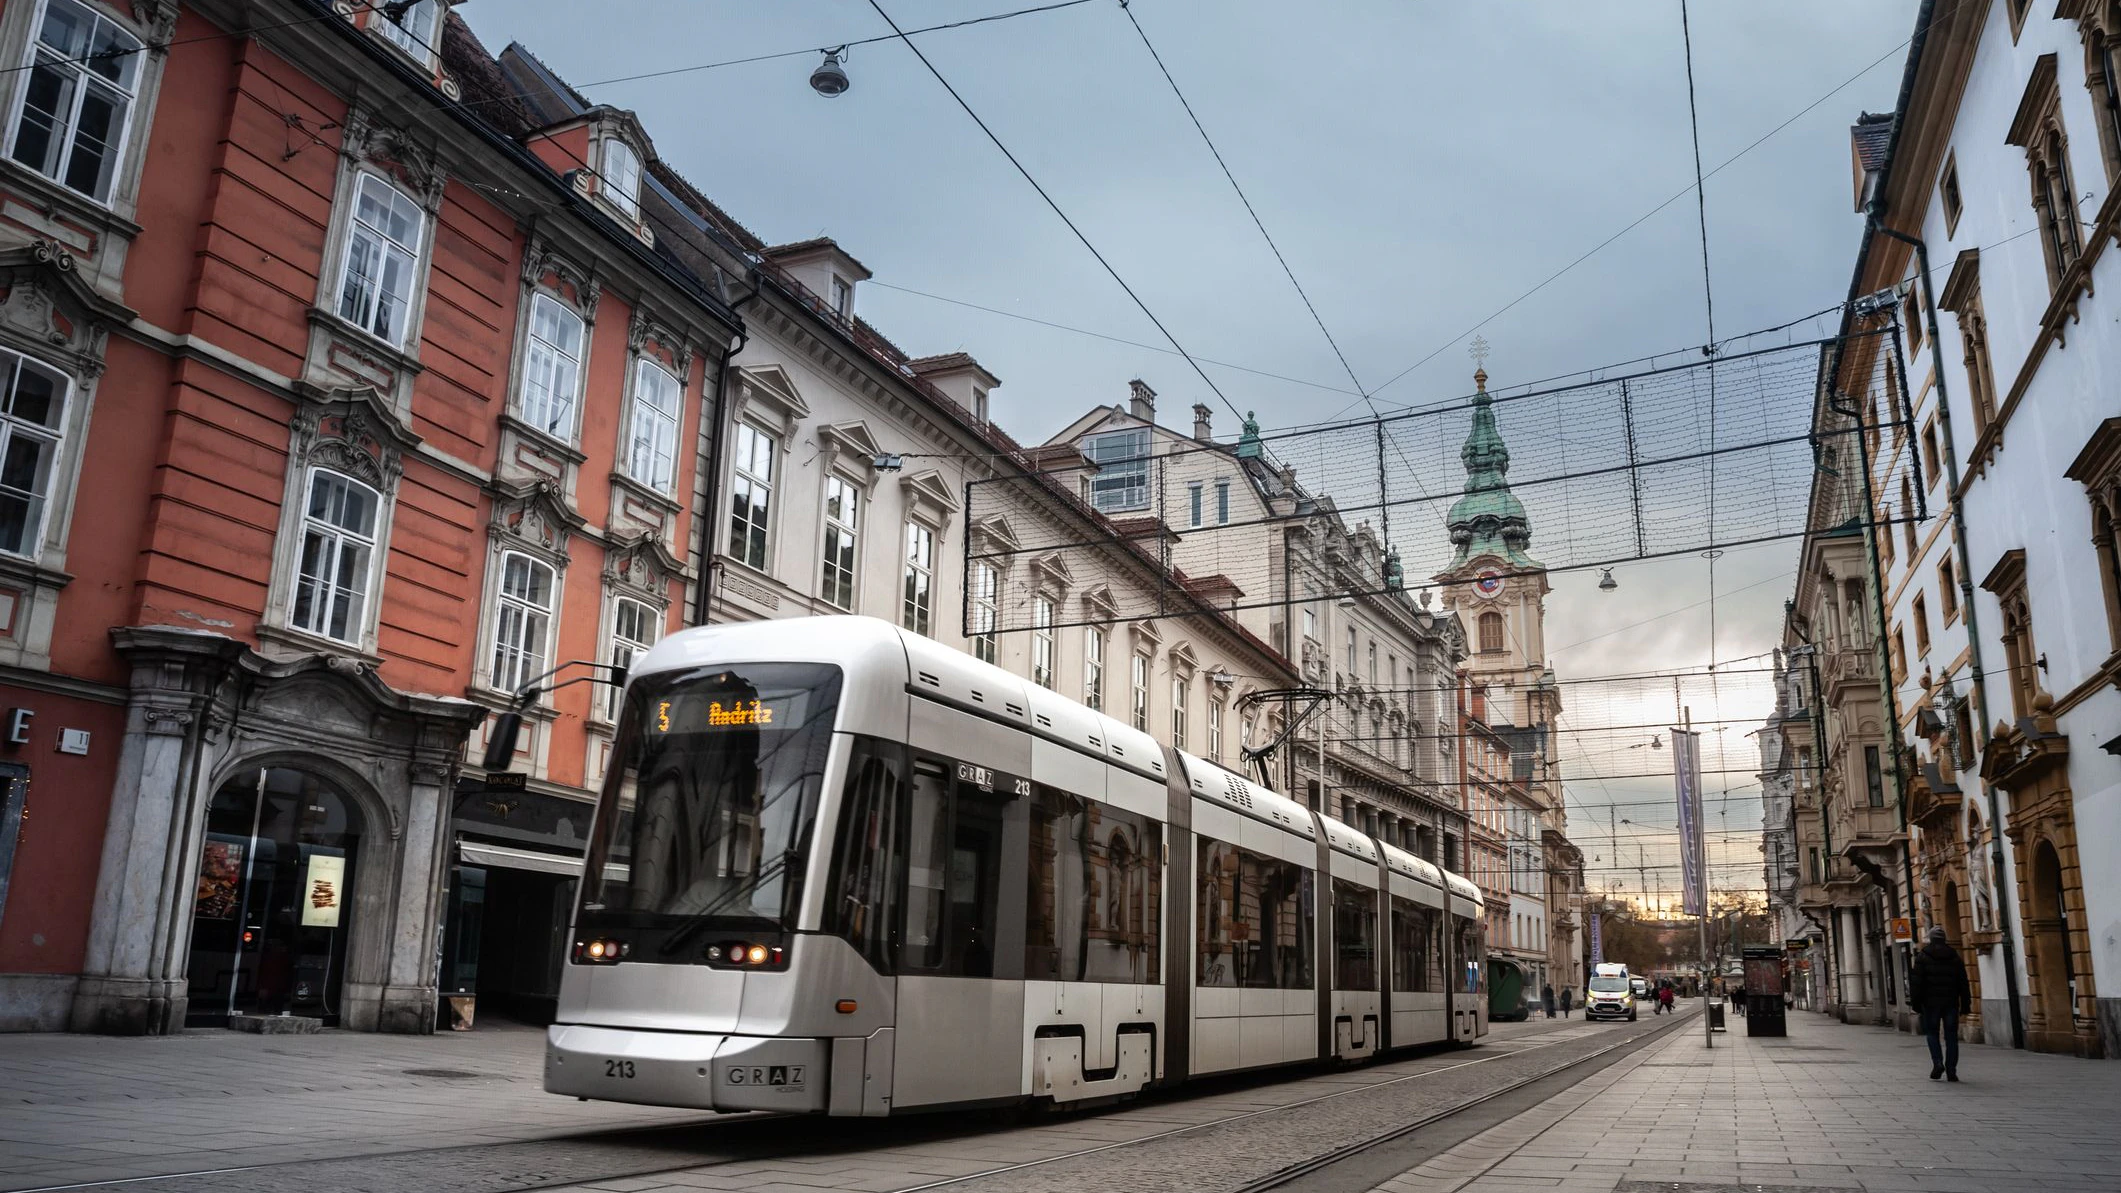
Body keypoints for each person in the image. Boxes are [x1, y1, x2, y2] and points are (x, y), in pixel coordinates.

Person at [1910, 925, 1972, 1081]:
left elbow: (1916, 983)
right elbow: (1963, 982)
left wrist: (1916, 1003)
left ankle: (1937, 1062)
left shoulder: (1923, 956)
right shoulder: (1954, 956)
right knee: (1951, 1037)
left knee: (1932, 1033)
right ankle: (1951, 1070)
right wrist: (1966, 1003)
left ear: (1931, 939)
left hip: (1930, 1003)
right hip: (1951, 1002)